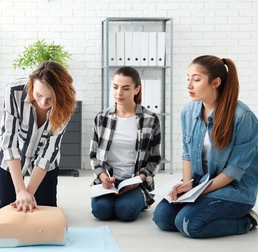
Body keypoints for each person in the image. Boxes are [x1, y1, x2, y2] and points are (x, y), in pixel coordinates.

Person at [153, 55, 258, 238]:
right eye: (188, 79)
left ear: (215, 82)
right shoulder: (189, 111)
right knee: (162, 218)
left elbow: (234, 171)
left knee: (190, 225)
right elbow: (186, 154)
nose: (189, 85)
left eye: (196, 79)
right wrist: (187, 185)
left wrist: (196, 192)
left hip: (233, 190)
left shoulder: (242, 117)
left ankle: (247, 221)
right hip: (200, 184)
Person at [0, 61, 76, 212]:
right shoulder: (14, 91)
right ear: (32, 84)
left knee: (44, 212)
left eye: (51, 98)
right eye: (39, 95)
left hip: (43, 162)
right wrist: (20, 191)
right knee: (8, 211)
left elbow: (49, 150)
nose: (43, 102)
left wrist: (28, 195)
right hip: (11, 157)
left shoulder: (66, 105)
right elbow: (9, 141)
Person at [89, 66, 161, 221]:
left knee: (126, 212)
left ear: (136, 90)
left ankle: (136, 199)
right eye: (115, 87)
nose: (119, 93)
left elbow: (155, 159)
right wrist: (102, 176)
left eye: (126, 88)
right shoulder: (102, 118)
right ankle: (114, 199)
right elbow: (94, 155)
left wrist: (139, 179)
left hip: (135, 181)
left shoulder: (150, 119)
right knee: (101, 211)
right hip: (108, 182)